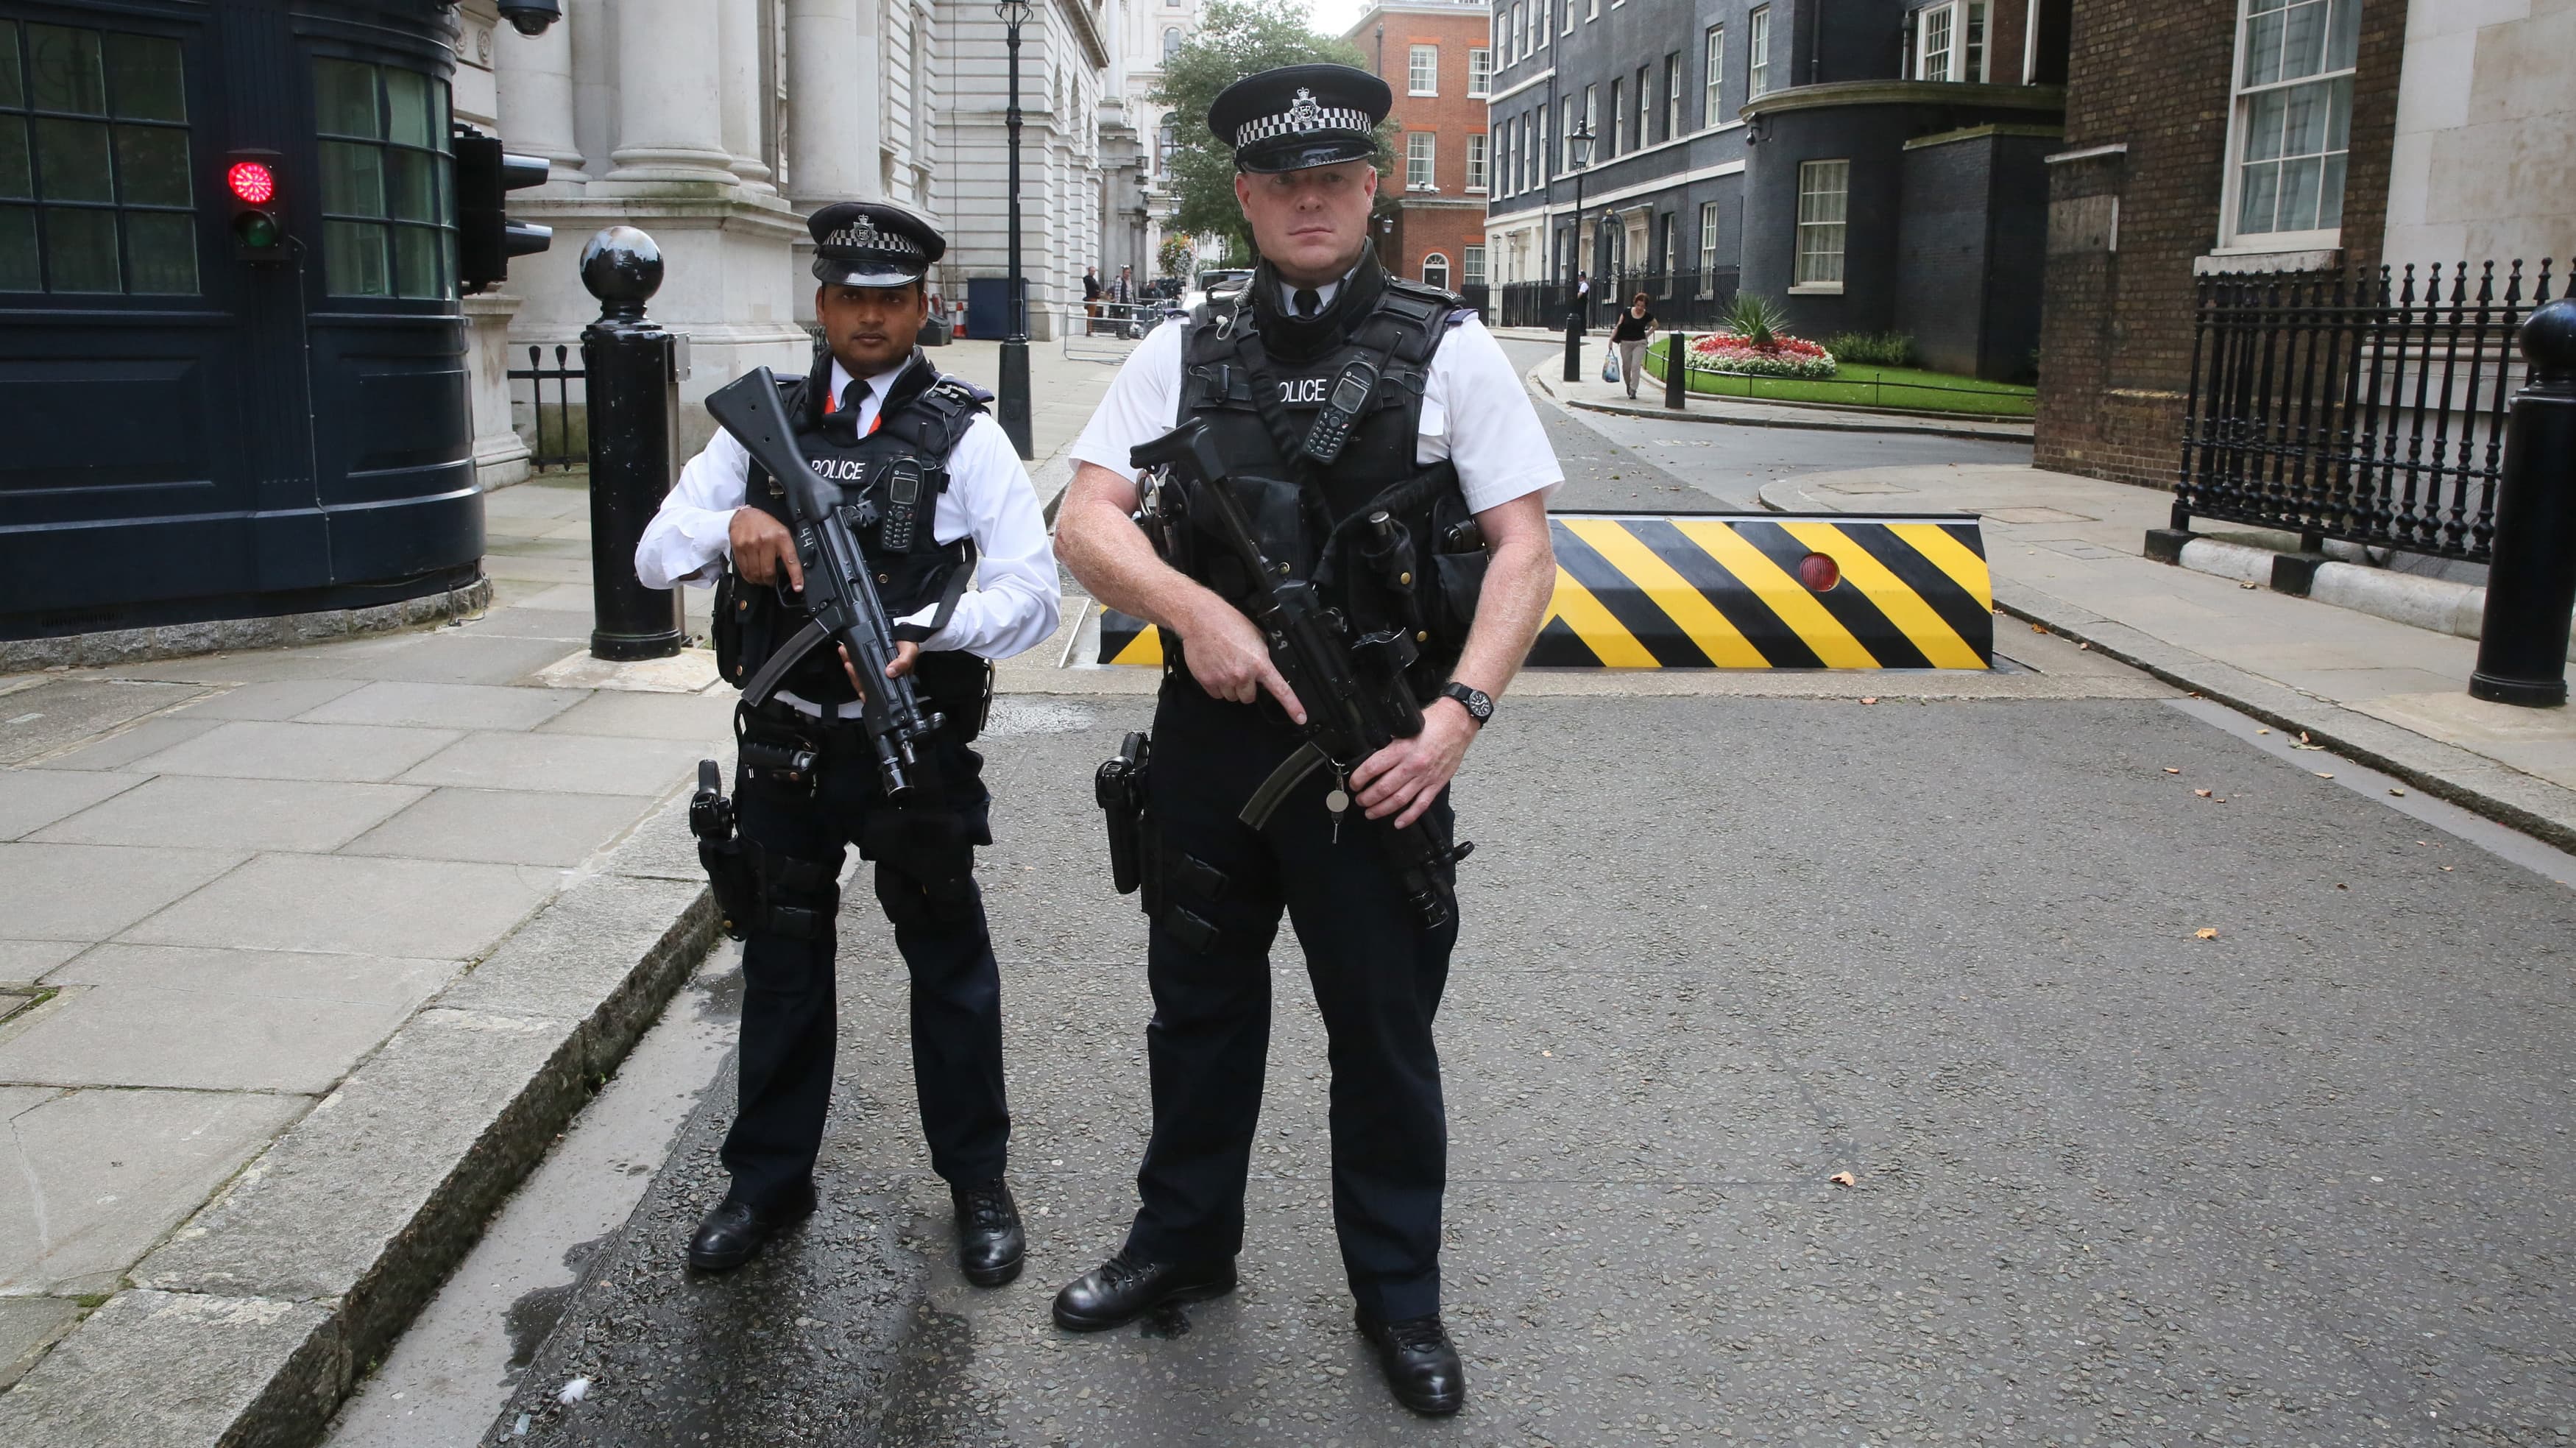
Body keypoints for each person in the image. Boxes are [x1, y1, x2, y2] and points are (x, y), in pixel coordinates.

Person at [1050, 63, 1560, 1417]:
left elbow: (1524, 550)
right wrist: (1191, 609)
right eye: (1283, 181)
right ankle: (1181, 1245)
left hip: (1380, 751)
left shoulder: (1450, 349)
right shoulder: (1181, 348)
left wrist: (1461, 716)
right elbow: (1085, 520)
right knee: (1199, 1017)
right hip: (1214, 750)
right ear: (1250, 199)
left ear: (1372, 189)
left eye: (1334, 176)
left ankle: (1399, 1296)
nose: (1310, 199)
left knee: (1383, 1036)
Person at [634, 201, 1061, 1287]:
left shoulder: (966, 433)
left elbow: (1033, 594)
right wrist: (733, 529)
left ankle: (976, 1180)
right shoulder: (756, 427)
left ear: (924, 307)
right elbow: (651, 555)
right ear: (820, 303)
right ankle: (767, 1181)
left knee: (949, 967)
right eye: (850, 297)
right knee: (781, 965)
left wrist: (939, 628)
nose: (870, 317)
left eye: (892, 300)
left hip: (907, 749)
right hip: (785, 747)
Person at [1611, 291, 1656, 400]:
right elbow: (1619, 325)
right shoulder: (1626, 312)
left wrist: (1647, 335)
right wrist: (1611, 340)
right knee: (1626, 368)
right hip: (1625, 343)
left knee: (1635, 366)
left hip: (1639, 343)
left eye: (1642, 306)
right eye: (1638, 305)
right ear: (1635, 303)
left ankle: (1633, 389)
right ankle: (1628, 384)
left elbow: (1656, 325)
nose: (1640, 308)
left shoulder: (1647, 316)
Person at [1083, 265, 1104, 335]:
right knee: (1091, 314)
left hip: (1094, 298)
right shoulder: (1088, 279)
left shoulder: (1093, 279)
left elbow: (1097, 287)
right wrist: (1097, 289)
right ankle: (1089, 330)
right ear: (1089, 271)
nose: (1093, 272)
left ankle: (1091, 329)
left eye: (1094, 271)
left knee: (1092, 314)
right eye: (1092, 271)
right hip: (1091, 298)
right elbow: (1095, 286)